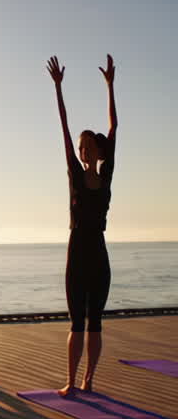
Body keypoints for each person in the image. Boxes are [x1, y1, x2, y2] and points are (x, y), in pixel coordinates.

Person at [46, 55, 118, 396]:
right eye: (81, 147)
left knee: (96, 323)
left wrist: (110, 86)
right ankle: (72, 381)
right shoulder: (75, 175)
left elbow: (115, 128)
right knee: (76, 321)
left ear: (98, 152)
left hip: (98, 253)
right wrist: (59, 89)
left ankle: (90, 379)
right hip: (77, 251)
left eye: (89, 146)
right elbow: (63, 125)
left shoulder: (104, 178)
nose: (84, 150)